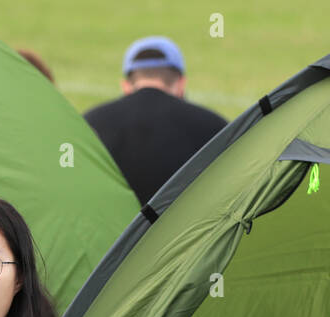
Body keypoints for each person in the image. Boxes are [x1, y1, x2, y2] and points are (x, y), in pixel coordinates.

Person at [84, 36, 227, 205]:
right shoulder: (215, 127)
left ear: (126, 86)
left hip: (113, 229)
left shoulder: (90, 124)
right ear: (181, 84)